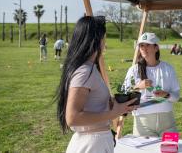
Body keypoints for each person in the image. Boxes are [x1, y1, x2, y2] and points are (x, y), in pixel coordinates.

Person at [55, 16, 138, 153]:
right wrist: (113, 113)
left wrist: (114, 104)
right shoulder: (84, 71)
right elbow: (72, 117)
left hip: (96, 141)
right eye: (104, 37)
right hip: (91, 144)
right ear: (96, 40)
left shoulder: (89, 68)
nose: (104, 42)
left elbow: (91, 104)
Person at [124, 32, 180, 137]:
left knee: (171, 150)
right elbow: (124, 94)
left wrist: (166, 95)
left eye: (148, 45)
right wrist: (137, 86)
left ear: (156, 48)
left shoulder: (168, 68)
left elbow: (176, 97)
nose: (144, 48)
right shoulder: (134, 70)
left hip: (167, 121)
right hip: (143, 122)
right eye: (141, 45)